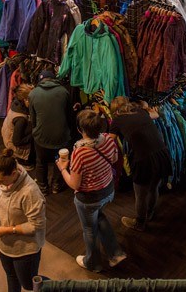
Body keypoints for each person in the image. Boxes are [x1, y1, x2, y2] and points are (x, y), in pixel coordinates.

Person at [57, 109, 126, 272]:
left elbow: (74, 184)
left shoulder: (79, 152)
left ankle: (93, 263)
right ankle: (115, 253)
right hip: (108, 190)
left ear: (80, 130)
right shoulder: (109, 139)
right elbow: (115, 159)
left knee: (89, 229)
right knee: (99, 216)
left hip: (89, 198)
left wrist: (62, 169)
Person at [0, 148, 46, 292]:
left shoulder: (30, 192)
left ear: (14, 174)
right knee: (11, 276)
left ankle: (57, 287)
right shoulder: (6, 182)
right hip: (5, 245)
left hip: (25, 250)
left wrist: (8, 230)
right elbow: (1, 201)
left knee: (29, 284)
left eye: (1, 180)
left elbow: (37, 225)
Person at [109, 97, 170, 232]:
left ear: (114, 111)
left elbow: (110, 141)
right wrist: (147, 106)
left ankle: (140, 223)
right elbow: (155, 114)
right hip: (162, 153)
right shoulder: (140, 112)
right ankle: (150, 212)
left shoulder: (117, 121)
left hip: (144, 160)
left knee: (140, 194)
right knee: (154, 188)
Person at [28, 70, 71, 195]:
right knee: (60, 160)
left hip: (41, 136)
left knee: (41, 161)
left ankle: (42, 186)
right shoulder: (64, 92)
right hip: (61, 135)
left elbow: (33, 118)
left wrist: (36, 131)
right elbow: (69, 115)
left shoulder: (33, 94)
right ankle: (56, 185)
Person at [1, 83, 35, 170]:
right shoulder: (21, 119)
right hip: (15, 147)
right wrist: (34, 134)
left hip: (8, 138)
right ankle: (23, 162)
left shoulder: (16, 104)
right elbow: (17, 141)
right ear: (25, 100)